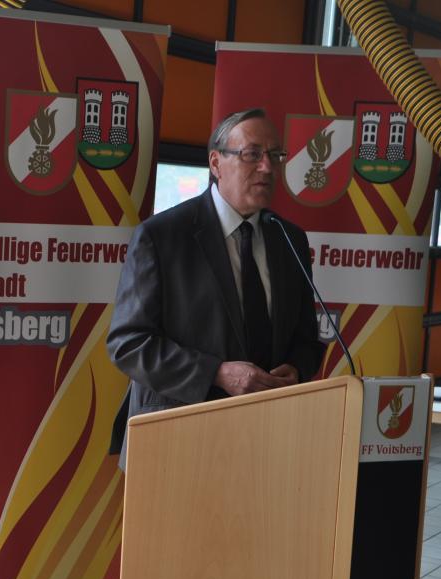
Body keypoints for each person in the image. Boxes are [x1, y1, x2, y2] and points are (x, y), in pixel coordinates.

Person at [107, 108, 325, 468]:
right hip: (177, 439)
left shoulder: (290, 239)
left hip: (268, 440)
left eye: (275, 155)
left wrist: (297, 369)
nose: (267, 168)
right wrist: (217, 373)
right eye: (252, 154)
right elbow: (128, 344)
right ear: (215, 163)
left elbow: (305, 337)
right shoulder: (162, 236)